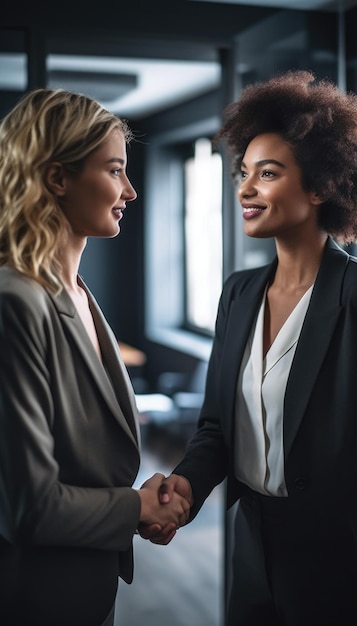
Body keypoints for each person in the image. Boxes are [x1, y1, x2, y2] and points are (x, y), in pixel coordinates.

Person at [140, 70, 357, 625]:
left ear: (319, 186)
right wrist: (186, 486)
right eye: (244, 173)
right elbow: (218, 429)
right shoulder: (238, 294)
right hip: (251, 552)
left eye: (267, 174)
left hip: (348, 565)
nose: (244, 189)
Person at [0, 88, 190, 626]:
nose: (130, 190)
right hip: (35, 599)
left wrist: (138, 502)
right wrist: (139, 508)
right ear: (58, 178)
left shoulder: (77, 292)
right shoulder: (15, 301)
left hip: (88, 592)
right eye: (114, 170)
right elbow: (28, 507)